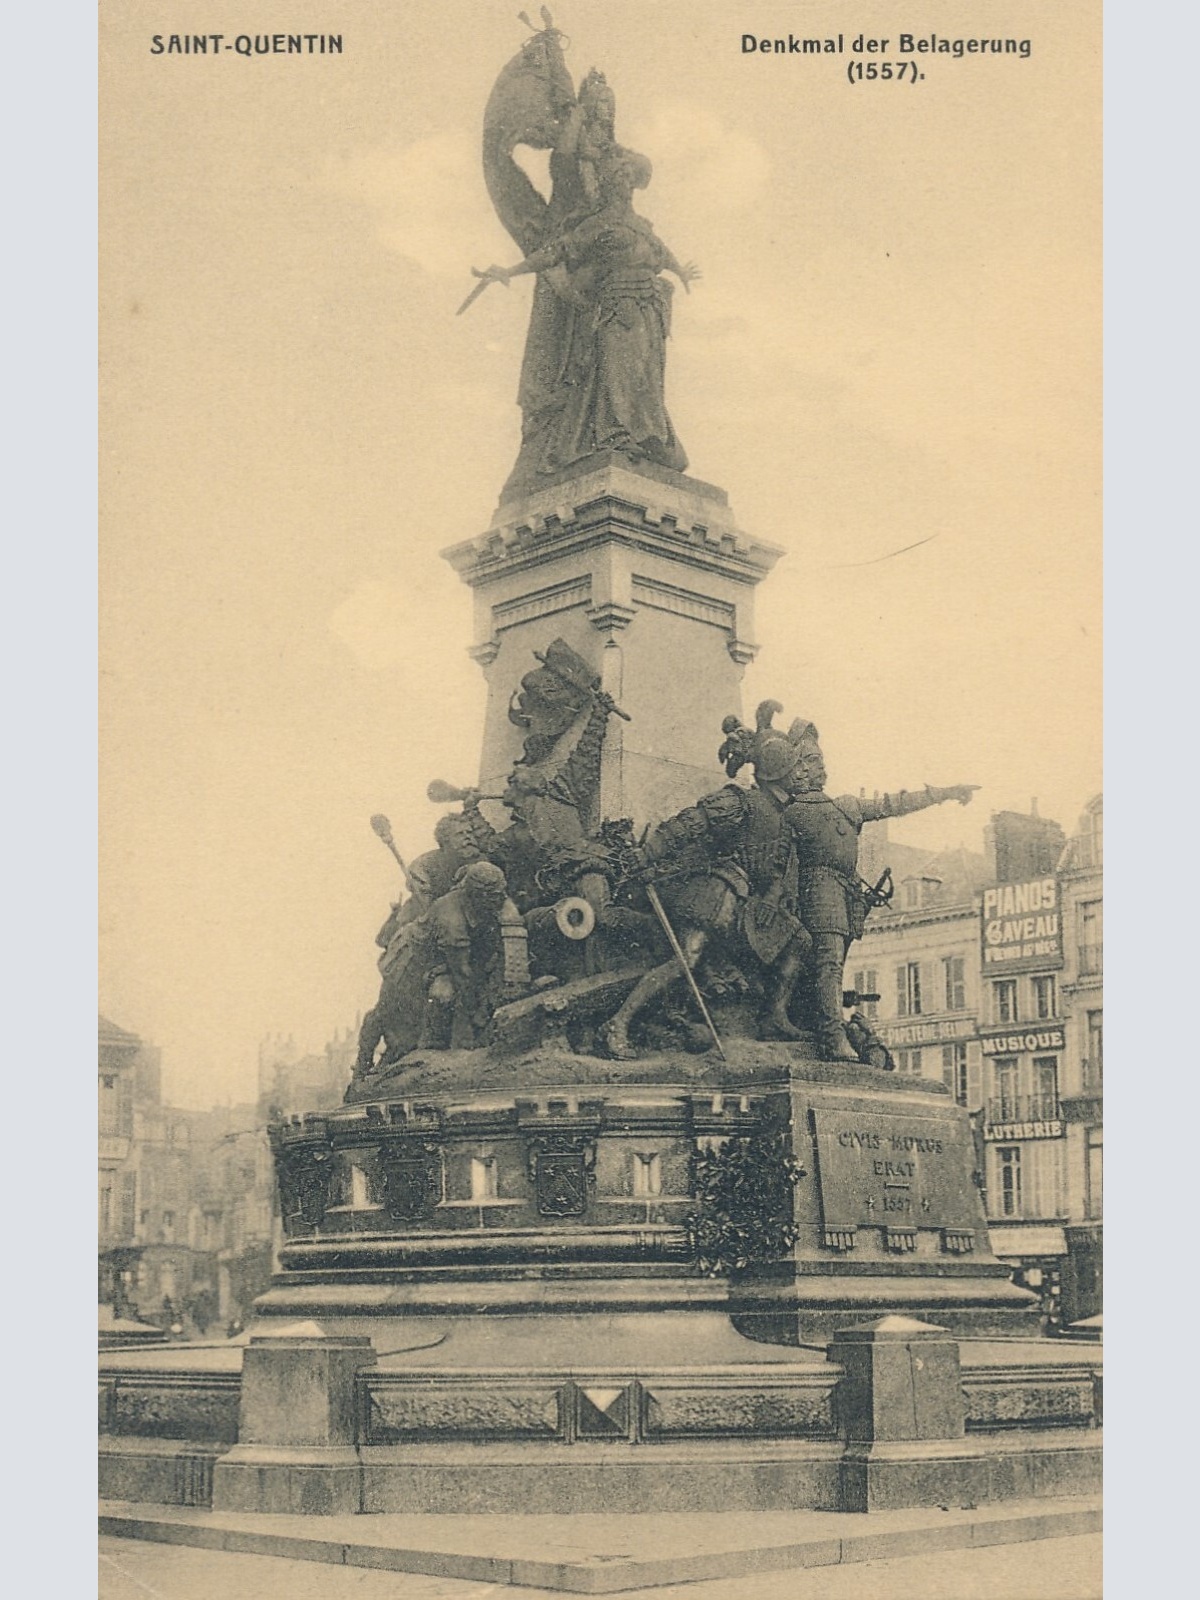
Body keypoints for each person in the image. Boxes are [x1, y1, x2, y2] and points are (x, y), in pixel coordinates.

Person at [598, 705, 817, 1058]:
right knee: (685, 959)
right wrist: (647, 854)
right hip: (718, 892)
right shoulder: (740, 801)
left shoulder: (786, 812)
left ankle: (774, 1017)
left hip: (749, 902)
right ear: (778, 771)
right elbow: (689, 824)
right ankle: (619, 1022)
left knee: (800, 940)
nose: (802, 775)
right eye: (795, 769)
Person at [474, 150, 699, 477]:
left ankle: (648, 438)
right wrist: (511, 270)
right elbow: (557, 252)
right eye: (616, 178)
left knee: (644, 380)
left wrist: (680, 271)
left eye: (627, 178)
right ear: (606, 185)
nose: (623, 184)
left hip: (650, 312)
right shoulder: (596, 225)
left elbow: (661, 253)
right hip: (616, 306)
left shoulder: (641, 226)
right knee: (617, 374)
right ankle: (616, 435)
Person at [785, 739, 978, 1059]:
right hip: (816, 891)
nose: (819, 768)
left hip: (845, 895)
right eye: (810, 762)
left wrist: (943, 792)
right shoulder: (792, 814)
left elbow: (893, 804)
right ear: (798, 769)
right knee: (828, 964)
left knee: (834, 965)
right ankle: (832, 1034)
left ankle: (827, 1027)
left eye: (819, 761)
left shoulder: (844, 806)